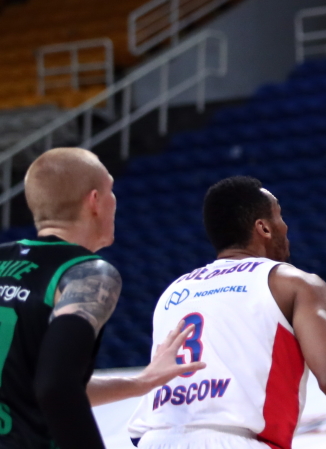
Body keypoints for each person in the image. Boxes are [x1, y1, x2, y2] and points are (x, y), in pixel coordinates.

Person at [127, 176, 326, 449]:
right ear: (263, 228)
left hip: (154, 440)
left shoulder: (173, 292)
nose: (285, 226)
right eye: (279, 215)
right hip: (237, 439)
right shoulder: (291, 282)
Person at [0, 147, 200, 449]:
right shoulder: (88, 272)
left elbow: (30, 383)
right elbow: (56, 385)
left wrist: (140, 382)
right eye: (110, 191)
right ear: (94, 201)